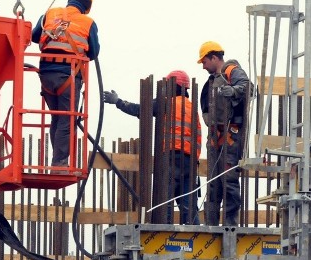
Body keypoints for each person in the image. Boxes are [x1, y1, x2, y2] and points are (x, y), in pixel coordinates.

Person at [103, 70, 202, 225]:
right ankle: (196, 236)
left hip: (171, 158)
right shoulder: (192, 107)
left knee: (165, 202)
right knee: (188, 206)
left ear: (172, 85)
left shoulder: (166, 103)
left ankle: (164, 233)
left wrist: (118, 102)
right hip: (190, 162)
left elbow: (141, 110)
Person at [31, 0, 100, 167]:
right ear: (87, 6)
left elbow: (34, 36)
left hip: (45, 74)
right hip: (68, 75)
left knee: (57, 117)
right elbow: (94, 52)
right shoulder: (88, 22)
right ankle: (60, 164)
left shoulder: (50, 13)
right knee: (67, 119)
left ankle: (57, 161)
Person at [197, 41, 250, 226]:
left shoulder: (232, 71)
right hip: (214, 140)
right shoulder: (210, 83)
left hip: (230, 138)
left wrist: (234, 91)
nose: (203, 66)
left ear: (214, 57)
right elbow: (205, 107)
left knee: (229, 181)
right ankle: (211, 227)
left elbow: (248, 88)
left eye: (204, 62)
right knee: (213, 184)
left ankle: (230, 227)